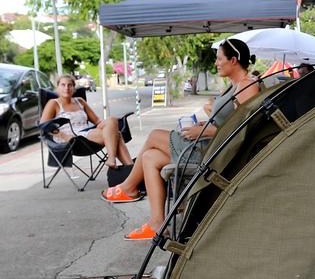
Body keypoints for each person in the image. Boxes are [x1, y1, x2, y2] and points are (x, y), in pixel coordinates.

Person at [102, 38, 260, 241]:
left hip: (216, 153)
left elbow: (243, 129)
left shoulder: (248, 85)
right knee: (150, 157)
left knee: (154, 135)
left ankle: (128, 187)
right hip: (208, 144)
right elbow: (229, 120)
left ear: (234, 60)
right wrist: (205, 124)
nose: (216, 63)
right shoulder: (235, 85)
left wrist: (206, 132)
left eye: (219, 58)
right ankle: (156, 222)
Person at [40, 76, 133, 167]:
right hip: (72, 139)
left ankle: (116, 162)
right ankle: (127, 167)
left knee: (112, 120)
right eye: (63, 85)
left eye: (70, 85)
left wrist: (109, 126)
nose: (66, 88)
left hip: (86, 133)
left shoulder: (80, 101)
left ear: (74, 88)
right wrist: (64, 136)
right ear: (57, 88)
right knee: (116, 134)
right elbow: (44, 125)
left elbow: (96, 120)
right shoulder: (53, 103)